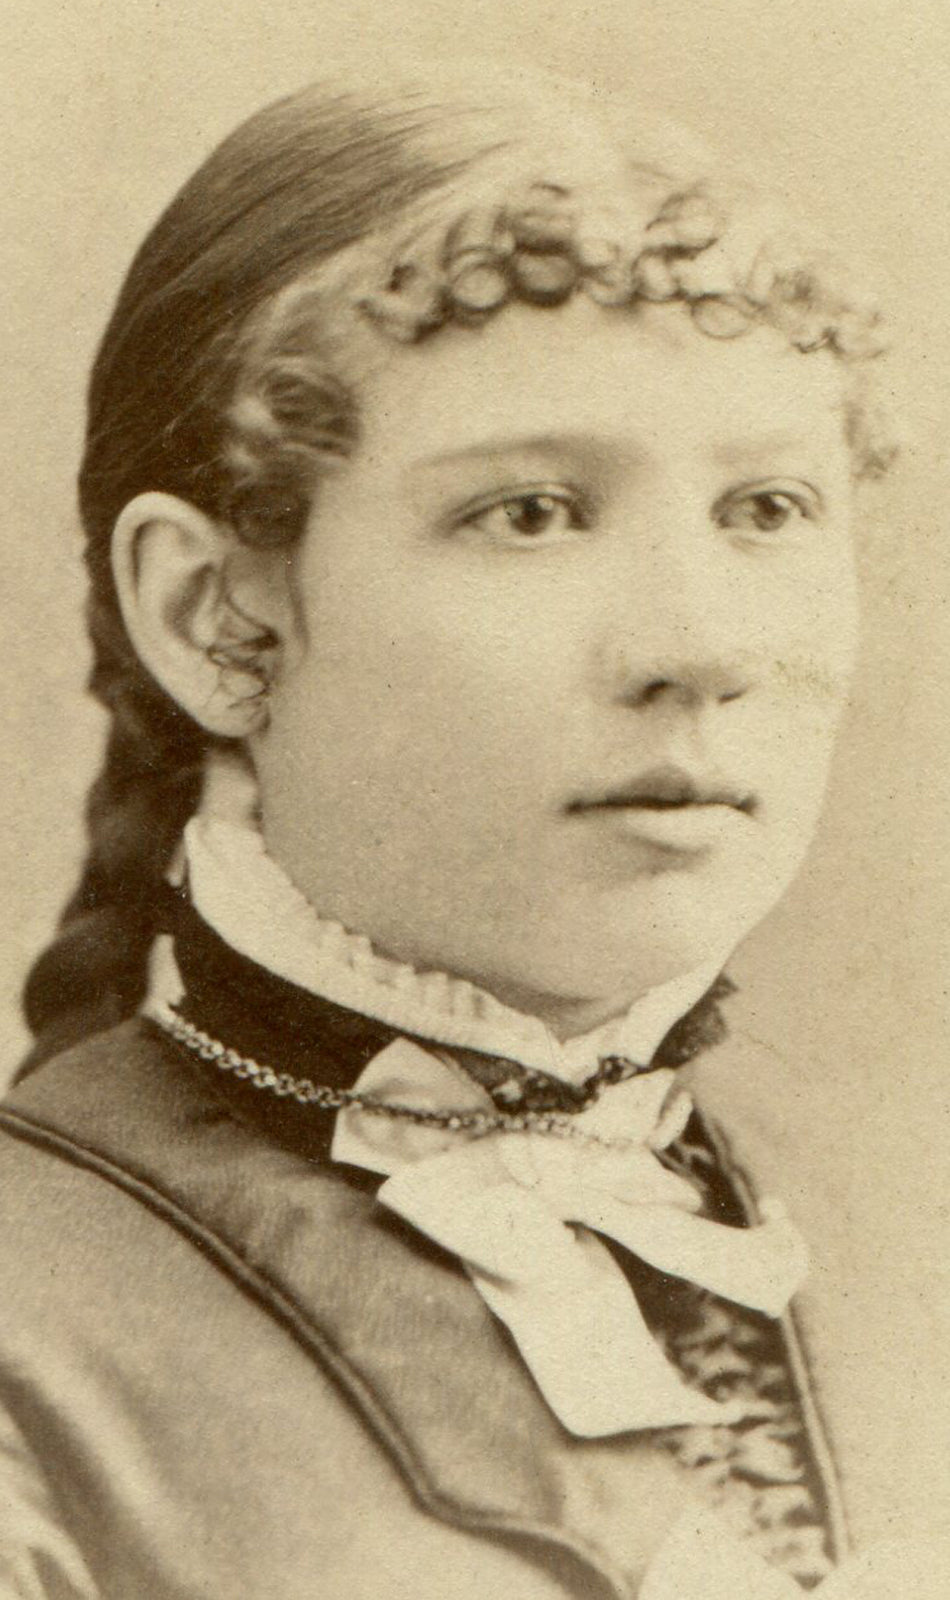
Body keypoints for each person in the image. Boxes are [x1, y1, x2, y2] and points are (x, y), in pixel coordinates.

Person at [0, 64, 941, 1598]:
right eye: (530, 512)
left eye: (767, 507)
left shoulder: (897, 1250)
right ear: (216, 615)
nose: (700, 646)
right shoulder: (33, 1343)